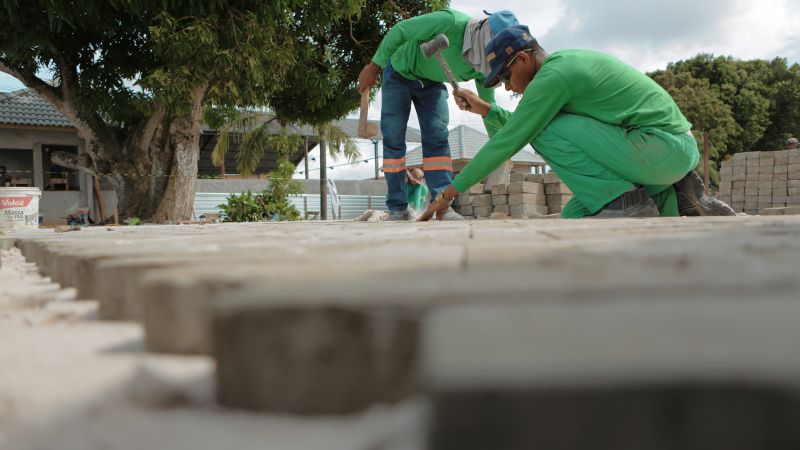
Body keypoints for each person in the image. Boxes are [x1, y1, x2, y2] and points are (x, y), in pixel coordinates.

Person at [420, 25, 735, 220]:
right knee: (576, 212)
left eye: (505, 76)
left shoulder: (553, 78)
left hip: (659, 147)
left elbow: (513, 138)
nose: (508, 87)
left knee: (544, 131)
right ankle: (678, 200)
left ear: (524, 60)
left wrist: (450, 192)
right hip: (669, 152)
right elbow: (524, 124)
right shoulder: (564, 65)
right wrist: (488, 111)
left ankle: (629, 202)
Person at [358, 8, 519, 221]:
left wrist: (499, 144)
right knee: (394, 138)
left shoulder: (487, 66)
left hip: (432, 83)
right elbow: (400, 30)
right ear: (485, 36)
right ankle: (397, 207)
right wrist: (374, 65)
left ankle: (443, 207)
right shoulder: (450, 23)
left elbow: (485, 106)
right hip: (399, 72)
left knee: (437, 137)